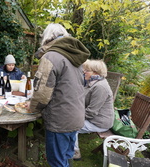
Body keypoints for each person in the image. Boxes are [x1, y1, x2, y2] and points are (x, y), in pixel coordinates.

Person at [29, 23, 90, 167]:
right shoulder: (74, 56)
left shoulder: (51, 56)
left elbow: (42, 93)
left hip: (60, 119)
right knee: (67, 155)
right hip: (76, 115)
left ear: (47, 38)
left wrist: (31, 108)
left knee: (57, 161)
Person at [73, 59, 114, 160]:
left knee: (72, 126)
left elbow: (91, 112)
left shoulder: (100, 87)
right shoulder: (92, 82)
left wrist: (75, 117)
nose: (84, 72)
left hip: (100, 123)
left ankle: (75, 152)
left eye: (87, 70)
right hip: (94, 119)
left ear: (95, 72)